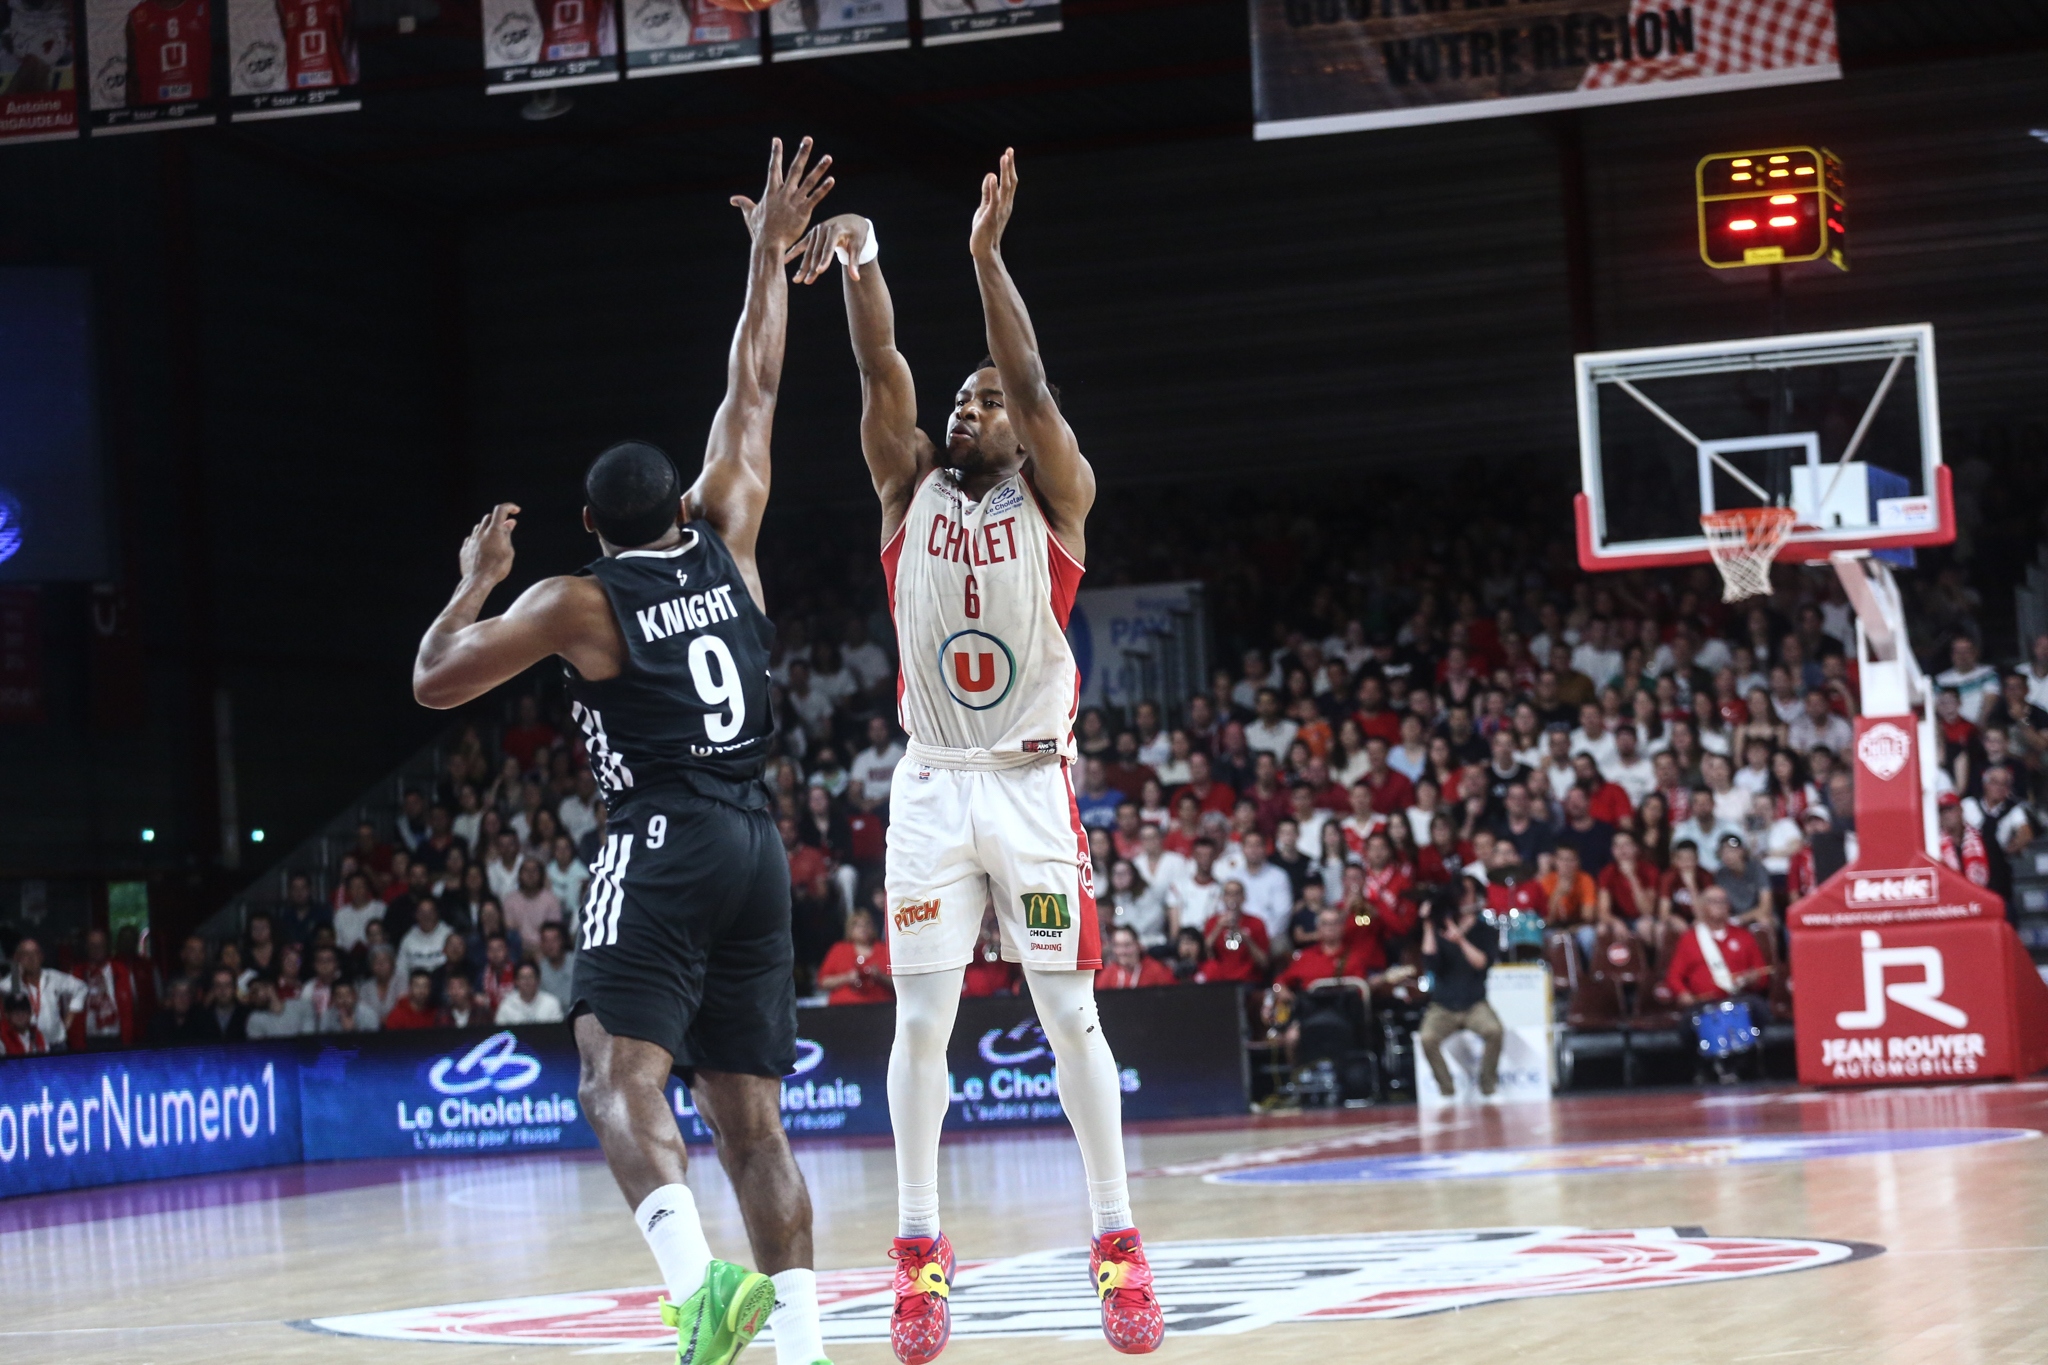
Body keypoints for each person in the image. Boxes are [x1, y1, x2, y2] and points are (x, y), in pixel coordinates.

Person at [409, 140, 836, 1365]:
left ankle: (699, 1290)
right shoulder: (733, 535)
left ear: (594, 525)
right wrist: (765, 254)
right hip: (759, 844)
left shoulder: (574, 601)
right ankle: (800, 1349)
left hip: (660, 834)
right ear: (684, 508)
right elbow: (752, 385)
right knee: (754, 1125)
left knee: (611, 1076)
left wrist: (469, 584)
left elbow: (435, 681)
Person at [793, 147, 1162, 1359]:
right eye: (964, 402)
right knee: (917, 1029)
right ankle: (919, 1256)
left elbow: (1036, 382)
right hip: (933, 787)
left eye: (984, 401)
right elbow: (876, 366)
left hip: (1030, 785)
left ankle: (1115, 1247)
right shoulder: (910, 488)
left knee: (1071, 1022)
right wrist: (862, 256)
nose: (970, 409)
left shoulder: (1055, 496)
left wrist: (987, 259)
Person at [1417, 881, 1504, 1099]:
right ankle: (1447, 1090)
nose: (1463, 899)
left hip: (1474, 1002)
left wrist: (1461, 940)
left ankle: (1488, 1086)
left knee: (1494, 1030)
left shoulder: (1486, 931)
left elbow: (1481, 962)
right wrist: (1428, 925)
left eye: (1467, 894)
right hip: (1443, 1004)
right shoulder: (1440, 929)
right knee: (1427, 1038)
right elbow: (1430, 963)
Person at [0, 938, 84, 1053]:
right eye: (25, 954)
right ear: (18, 957)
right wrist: (16, 972)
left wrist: (70, 1017)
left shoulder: (53, 977)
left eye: (35, 953)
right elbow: (14, 998)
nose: (31, 958)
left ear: (41, 956)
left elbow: (81, 988)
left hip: (56, 1045)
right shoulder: (12, 982)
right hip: (28, 1047)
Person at [1097, 925, 1175, 989]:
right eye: (1118, 946)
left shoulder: (1156, 970)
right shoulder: (1108, 974)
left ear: (1138, 945)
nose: (1123, 951)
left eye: (1127, 945)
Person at [496, 960, 568, 1024]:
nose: (527, 981)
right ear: (516, 981)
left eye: (530, 977)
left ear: (538, 980)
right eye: (523, 978)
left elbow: (558, 1033)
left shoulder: (551, 1003)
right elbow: (501, 1034)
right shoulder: (507, 1005)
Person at [315, 980, 383, 1033]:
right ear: (333, 999)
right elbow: (323, 1042)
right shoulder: (327, 1016)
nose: (344, 1000)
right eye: (339, 996)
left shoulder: (369, 1014)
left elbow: (374, 1042)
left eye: (348, 995)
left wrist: (353, 1031)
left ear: (355, 996)